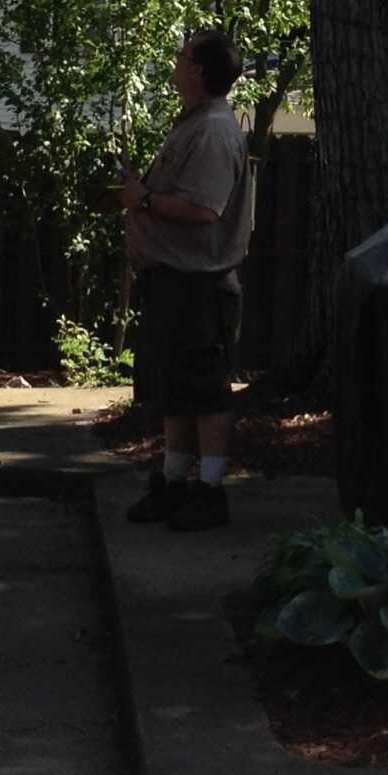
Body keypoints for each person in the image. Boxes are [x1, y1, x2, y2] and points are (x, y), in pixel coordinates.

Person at [118, 29, 254, 532]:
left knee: (207, 391)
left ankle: (211, 491)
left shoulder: (215, 131)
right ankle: (174, 483)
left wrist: (145, 200)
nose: (174, 63)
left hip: (200, 287)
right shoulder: (195, 123)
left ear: (197, 71)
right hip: (174, 284)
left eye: (181, 57)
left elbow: (204, 208)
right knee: (175, 389)